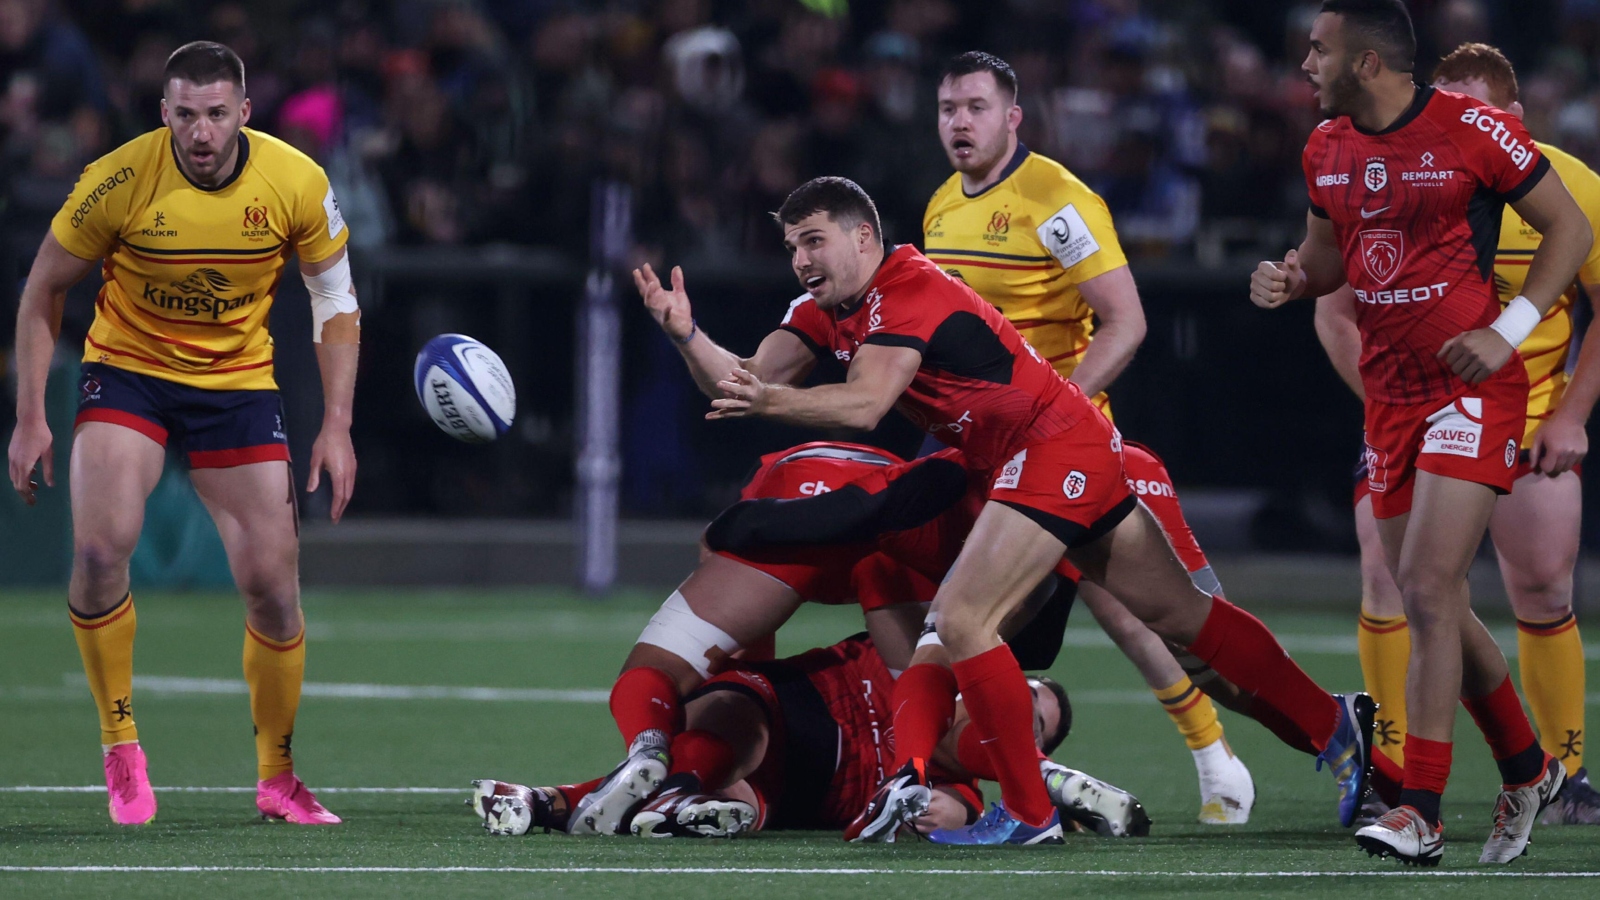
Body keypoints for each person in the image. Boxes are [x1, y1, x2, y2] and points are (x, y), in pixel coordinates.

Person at [638, 174, 1374, 846]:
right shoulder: (825, 307)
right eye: (793, 245)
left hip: (1048, 450)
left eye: (814, 240)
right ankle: (1333, 723)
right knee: (1183, 617)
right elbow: (744, 383)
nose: (801, 258)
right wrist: (686, 336)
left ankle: (1028, 812)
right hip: (1051, 452)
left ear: (864, 237)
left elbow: (865, 406)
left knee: (959, 620)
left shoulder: (907, 288)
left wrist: (772, 401)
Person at [1251, 1, 1590, 865]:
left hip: (1472, 387)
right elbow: (1326, 261)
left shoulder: (1472, 129)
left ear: (1366, 62)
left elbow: (1571, 228)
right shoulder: (1325, 146)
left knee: (1431, 588)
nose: (1304, 64)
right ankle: (1526, 767)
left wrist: (1508, 330)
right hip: (1392, 395)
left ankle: (1421, 811)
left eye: (1319, 50)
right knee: (1424, 591)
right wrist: (1290, 279)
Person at [5, 41, 360, 826]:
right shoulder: (118, 181)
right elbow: (42, 289)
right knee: (99, 553)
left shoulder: (295, 181)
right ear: (165, 114)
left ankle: (278, 778)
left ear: (244, 113)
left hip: (234, 385)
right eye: (187, 115)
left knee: (273, 585)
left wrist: (336, 426)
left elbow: (334, 299)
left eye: (217, 115)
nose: (202, 133)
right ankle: (120, 745)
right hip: (129, 371)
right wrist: (31, 415)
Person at [922, 50, 1251, 825]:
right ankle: (998, 780)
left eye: (975, 107)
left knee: (1154, 616)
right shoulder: (939, 209)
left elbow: (1126, 320)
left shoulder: (1058, 200)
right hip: (982, 453)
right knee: (972, 620)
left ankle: (1291, 748)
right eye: (947, 109)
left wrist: (1053, 412)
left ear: (1013, 117)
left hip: (1062, 450)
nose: (959, 122)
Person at [470, 634, 1149, 840]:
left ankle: (620, 792)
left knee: (741, 782)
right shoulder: (927, 658)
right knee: (733, 727)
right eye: (1022, 696)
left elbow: (946, 814)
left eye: (1035, 730)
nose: (1014, 711)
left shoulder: (964, 778)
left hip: (807, 785)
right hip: (797, 706)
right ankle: (641, 792)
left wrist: (933, 812)